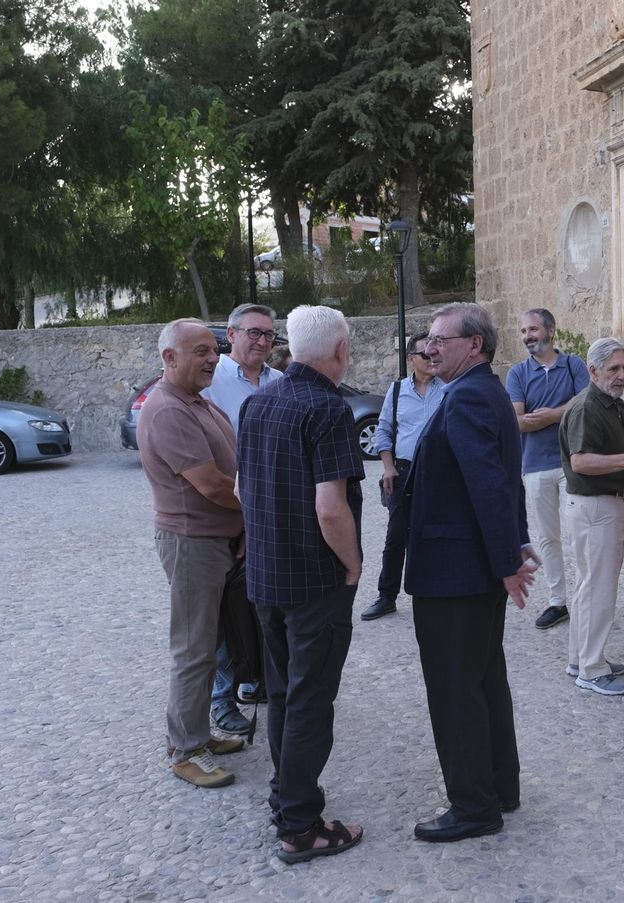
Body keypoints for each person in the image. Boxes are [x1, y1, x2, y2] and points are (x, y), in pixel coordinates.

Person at [398, 302, 537, 842]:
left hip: (455, 574)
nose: (428, 348)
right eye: (428, 341)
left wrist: (508, 562)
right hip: (469, 569)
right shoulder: (484, 391)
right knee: (482, 681)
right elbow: (506, 477)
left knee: (457, 690)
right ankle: (498, 788)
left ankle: (474, 806)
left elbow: (490, 485)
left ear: (473, 345)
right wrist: (513, 548)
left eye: (438, 340)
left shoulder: (467, 398)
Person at [235, 305, 365, 863]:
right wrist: (354, 564)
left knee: (284, 693)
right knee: (311, 700)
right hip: (315, 580)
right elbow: (331, 509)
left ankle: (287, 796)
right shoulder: (328, 409)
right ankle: (300, 827)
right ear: (339, 350)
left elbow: (243, 489)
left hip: (266, 576)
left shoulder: (259, 401)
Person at [136, 319, 247, 788]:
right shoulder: (167, 410)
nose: (213, 358)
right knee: (194, 648)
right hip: (192, 543)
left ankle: (199, 734)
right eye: (200, 350)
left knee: (211, 644)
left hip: (214, 539)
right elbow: (212, 485)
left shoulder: (196, 402)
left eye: (214, 349)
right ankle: (185, 749)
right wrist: (255, 513)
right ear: (169, 357)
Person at [201, 303, 283, 729]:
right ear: (230, 335)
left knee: (260, 605)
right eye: (253, 332)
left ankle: (257, 679)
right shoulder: (210, 383)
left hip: (267, 516)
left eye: (269, 334)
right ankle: (221, 699)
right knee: (220, 612)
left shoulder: (281, 383)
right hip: (223, 513)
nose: (262, 341)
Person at [560, 337, 624, 697]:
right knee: (599, 588)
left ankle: (581, 658)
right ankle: (592, 668)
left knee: (589, 585)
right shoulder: (587, 407)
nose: (622, 375)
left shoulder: (610, 404)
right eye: (614, 368)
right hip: (595, 505)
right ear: (593, 370)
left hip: (601, 504)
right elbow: (580, 460)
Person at [507, 308, 589, 631]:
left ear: (551, 331)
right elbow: (516, 421)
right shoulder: (517, 374)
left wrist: (551, 415)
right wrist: (558, 413)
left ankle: (588, 596)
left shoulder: (573, 365)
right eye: (524, 331)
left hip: (572, 462)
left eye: (533, 329)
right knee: (547, 537)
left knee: (581, 533)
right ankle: (558, 601)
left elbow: (585, 402)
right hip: (536, 466)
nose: (527, 336)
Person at [360, 332, 446, 622]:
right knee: (396, 536)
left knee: (437, 533)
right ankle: (387, 596)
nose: (433, 358)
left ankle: (435, 592)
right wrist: (387, 466)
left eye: (435, 353)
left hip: (438, 471)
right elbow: (383, 430)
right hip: (404, 471)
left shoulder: (448, 389)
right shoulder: (397, 391)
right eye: (426, 354)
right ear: (411, 359)